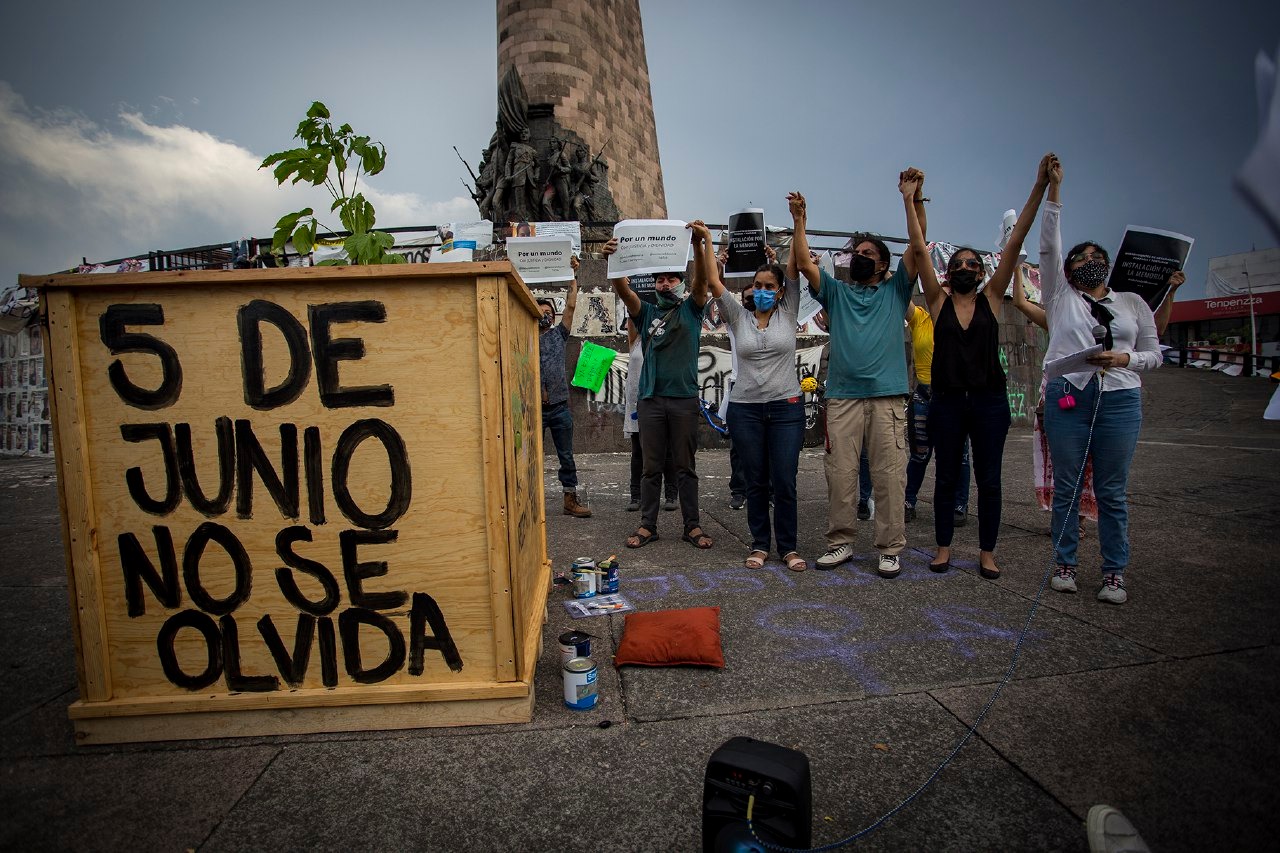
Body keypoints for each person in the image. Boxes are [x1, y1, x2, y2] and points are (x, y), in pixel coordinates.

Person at [903, 155, 1052, 578]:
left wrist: (1039, 184)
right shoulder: (937, 301)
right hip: (947, 403)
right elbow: (917, 248)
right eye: (959, 264)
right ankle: (944, 548)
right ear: (948, 273)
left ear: (984, 272)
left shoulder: (991, 298)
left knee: (989, 479)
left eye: (973, 264)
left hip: (989, 403)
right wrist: (909, 201)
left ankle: (987, 552)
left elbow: (1017, 234)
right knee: (946, 476)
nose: (966, 267)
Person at [1040, 156, 1162, 605]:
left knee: (1112, 489)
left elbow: (1154, 354)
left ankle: (1114, 572)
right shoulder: (1059, 296)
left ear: (1109, 265)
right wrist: (1054, 191)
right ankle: (1065, 563)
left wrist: (1126, 358)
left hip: (1120, 398)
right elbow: (1049, 245)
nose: (1088, 263)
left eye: (1097, 258)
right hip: (1070, 394)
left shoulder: (1131, 303)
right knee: (1068, 485)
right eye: (1081, 259)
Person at [789, 177, 924, 578]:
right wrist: (800, 220)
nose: (858, 256)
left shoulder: (897, 289)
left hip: (888, 398)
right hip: (844, 398)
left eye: (867, 253)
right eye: (855, 252)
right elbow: (803, 262)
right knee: (841, 474)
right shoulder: (836, 292)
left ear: (883, 263)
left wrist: (909, 201)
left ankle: (889, 547)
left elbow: (918, 247)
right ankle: (841, 542)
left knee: (888, 476)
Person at [695, 220, 807, 572]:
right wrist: (709, 241)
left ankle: (788, 547)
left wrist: (799, 222)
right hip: (745, 410)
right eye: (757, 285)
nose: (761, 290)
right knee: (755, 479)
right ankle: (760, 544)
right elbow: (714, 282)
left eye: (768, 286)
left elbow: (795, 266)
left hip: (786, 407)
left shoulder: (788, 313)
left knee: (784, 481)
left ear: (779, 292)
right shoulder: (737, 315)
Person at [605, 228, 713, 549]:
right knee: (650, 468)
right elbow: (624, 291)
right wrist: (614, 260)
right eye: (659, 280)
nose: (664, 284)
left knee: (685, 467)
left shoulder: (692, 309)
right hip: (650, 401)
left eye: (670, 279)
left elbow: (703, 283)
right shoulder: (647, 312)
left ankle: (692, 526)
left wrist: (697, 243)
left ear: (681, 282)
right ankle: (647, 526)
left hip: (684, 400)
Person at [1013, 262, 1098, 533]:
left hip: (1095, 392)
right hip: (1061, 394)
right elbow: (1020, 302)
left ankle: (1080, 519)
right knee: (1062, 459)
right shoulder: (1058, 319)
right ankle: (1066, 519)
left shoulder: (1108, 315)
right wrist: (1016, 267)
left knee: (1088, 459)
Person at [903, 302, 973, 525]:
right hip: (924, 395)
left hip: (954, 396)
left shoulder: (966, 319)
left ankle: (960, 504)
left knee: (959, 455)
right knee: (919, 454)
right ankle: (908, 501)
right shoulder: (920, 318)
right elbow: (902, 294)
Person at [537, 255, 591, 518]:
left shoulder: (559, 335)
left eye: (548, 313)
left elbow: (571, 306)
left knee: (566, 457)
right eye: (540, 313)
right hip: (532, 410)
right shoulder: (520, 336)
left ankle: (570, 500)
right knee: (527, 458)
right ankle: (528, 503)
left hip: (559, 409)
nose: (544, 316)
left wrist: (573, 275)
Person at [622, 315, 679, 513]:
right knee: (638, 451)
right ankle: (636, 495)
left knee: (667, 451)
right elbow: (632, 310)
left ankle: (671, 494)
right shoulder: (635, 340)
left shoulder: (665, 340)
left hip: (661, 399)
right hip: (637, 401)